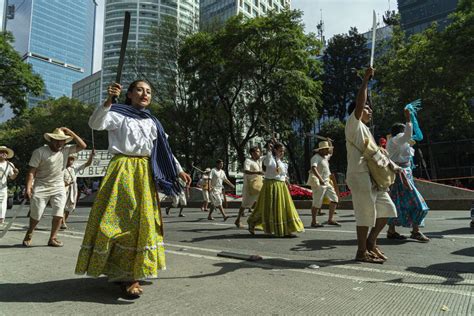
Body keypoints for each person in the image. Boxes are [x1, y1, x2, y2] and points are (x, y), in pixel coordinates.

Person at [75, 81, 191, 299]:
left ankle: (132, 273)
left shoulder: (153, 121)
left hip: (145, 172)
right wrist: (109, 101)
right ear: (128, 94)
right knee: (119, 220)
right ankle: (123, 272)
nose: (144, 94)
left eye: (148, 91)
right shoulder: (117, 113)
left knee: (143, 222)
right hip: (122, 169)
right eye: (139, 90)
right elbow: (95, 123)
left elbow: (164, 151)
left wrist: (178, 170)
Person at [345, 67, 397, 264]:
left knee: (387, 211)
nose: (370, 110)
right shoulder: (353, 124)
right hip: (359, 174)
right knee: (365, 214)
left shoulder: (367, 131)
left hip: (373, 177)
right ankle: (361, 252)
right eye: (367, 108)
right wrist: (365, 80)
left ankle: (371, 243)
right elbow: (359, 104)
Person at [23, 128, 87, 247]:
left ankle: (52, 238)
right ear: (51, 140)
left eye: (62, 141)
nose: (59, 143)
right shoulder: (39, 152)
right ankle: (30, 232)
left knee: (58, 214)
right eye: (56, 140)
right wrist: (28, 187)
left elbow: (83, 145)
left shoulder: (66, 150)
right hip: (41, 186)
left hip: (58, 186)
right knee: (36, 214)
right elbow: (31, 172)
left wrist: (70, 132)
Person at [386, 109, 430, 242]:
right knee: (417, 203)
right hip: (400, 174)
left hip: (403, 174)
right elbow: (408, 135)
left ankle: (391, 230)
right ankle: (415, 231)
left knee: (397, 203)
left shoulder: (398, 141)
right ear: (401, 131)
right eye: (404, 130)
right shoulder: (397, 139)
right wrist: (409, 119)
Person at [247, 140, 304, 237]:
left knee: (285, 208)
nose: (282, 153)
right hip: (271, 185)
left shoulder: (282, 162)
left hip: (281, 186)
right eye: (280, 151)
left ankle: (287, 229)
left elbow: (283, 175)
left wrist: (288, 183)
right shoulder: (268, 158)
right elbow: (268, 164)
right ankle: (252, 222)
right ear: (275, 150)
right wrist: (269, 150)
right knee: (266, 208)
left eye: (283, 151)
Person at [61, 150, 95, 230]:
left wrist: (91, 156)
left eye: (72, 159)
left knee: (70, 207)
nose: (70, 161)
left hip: (72, 189)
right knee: (61, 206)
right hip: (63, 188)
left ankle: (63, 221)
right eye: (69, 159)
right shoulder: (61, 168)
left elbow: (87, 164)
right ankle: (62, 222)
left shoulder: (75, 168)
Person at [308, 141, 340, 228]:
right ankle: (314, 221)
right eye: (326, 149)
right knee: (317, 202)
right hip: (319, 183)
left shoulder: (325, 157)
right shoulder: (315, 158)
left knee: (334, 199)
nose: (328, 151)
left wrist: (329, 142)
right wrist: (320, 179)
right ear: (321, 150)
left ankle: (330, 219)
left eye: (327, 149)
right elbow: (313, 168)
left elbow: (331, 152)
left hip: (327, 182)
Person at [235, 146, 263, 228]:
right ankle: (238, 220)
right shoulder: (248, 161)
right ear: (252, 153)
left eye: (259, 151)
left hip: (259, 184)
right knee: (244, 204)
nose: (259, 153)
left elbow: (268, 156)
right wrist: (257, 172)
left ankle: (257, 222)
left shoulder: (259, 161)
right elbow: (245, 171)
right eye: (257, 151)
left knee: (260, 203)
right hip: (249, 186)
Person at [0, 146, 19, 224]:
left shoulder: (9, 164)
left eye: (5, 152)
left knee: (2, 204)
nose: (4, 154)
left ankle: (1, 219)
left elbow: (11, 177)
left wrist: (16, 173)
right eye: (2, 152)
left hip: (2, 188)